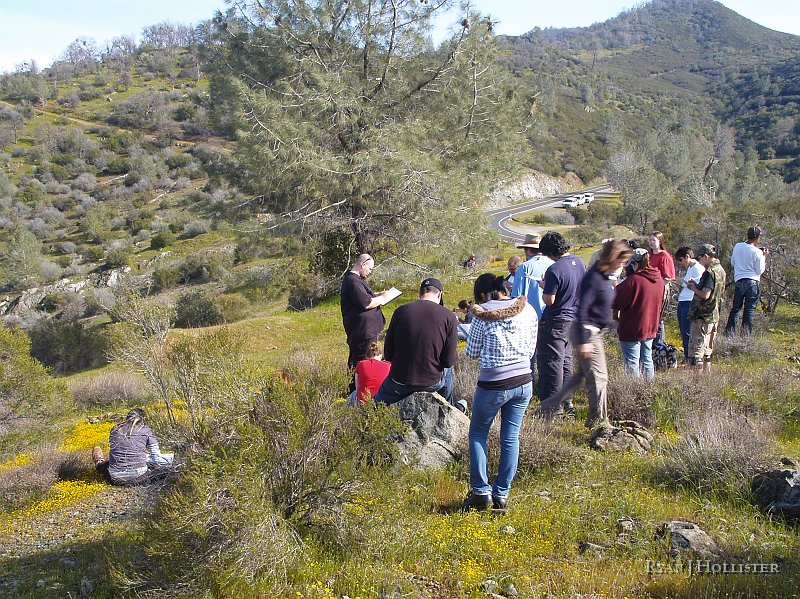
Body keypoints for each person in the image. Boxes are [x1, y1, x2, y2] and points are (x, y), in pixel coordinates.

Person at [462, 273, 537, 511]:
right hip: (524, 380)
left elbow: (472, 353)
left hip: (493, 383)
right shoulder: (529, 310)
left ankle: (481, 491)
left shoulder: (482, 317)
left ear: (482, 295)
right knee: (510, 437)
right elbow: (532, 346)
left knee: (477, 434)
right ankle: (502, 493)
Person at [539, 240, 632, 427]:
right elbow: (582, 309)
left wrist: (611, 323)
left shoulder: (605, 277)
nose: (623, 265)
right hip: (587, 333)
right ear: (613, 257)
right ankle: (598, 421)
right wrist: (583, 341)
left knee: (578, 378)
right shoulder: (594, 277)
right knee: (598, 378)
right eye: (621, 261)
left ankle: (546, 409)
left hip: (595, 332)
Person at [374, 278, 464, 411]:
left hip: (400, 381)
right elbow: (448, 361)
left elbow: (388, 354)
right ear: (439, 294)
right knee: (447, 371)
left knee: (376, 403)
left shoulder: (401, 311)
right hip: (431, 382)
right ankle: (449, 409)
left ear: (420, 293)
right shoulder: (449, 316)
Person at [536, 232, 586, 410]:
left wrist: (544, 287)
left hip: (556, 320)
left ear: (549, 252)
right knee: (566, 360)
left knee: (552, 363)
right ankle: (567, 401)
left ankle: (552, 406)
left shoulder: (554, 270)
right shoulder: (579, 262)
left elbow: (550, 300)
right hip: (573, 318)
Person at [612, 249, 665, 380]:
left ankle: (635, 394)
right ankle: (649, 390)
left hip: (632, 327)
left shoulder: (633, 281)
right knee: (647, 359)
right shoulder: (659, 279)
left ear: (635, 264)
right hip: (651, 326)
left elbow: (615, 300)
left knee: (632, 363)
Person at [92, 408, 174, 486]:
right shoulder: (146, 430)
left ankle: (100, 463)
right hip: (139, 477)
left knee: (109, 463)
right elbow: (156, 456)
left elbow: (116, 449)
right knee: (162, 460)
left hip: (114, 477)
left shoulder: (115, 428)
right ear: (143, 419)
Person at [340, 254, 388, 381]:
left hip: (366, 331)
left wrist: (378, 295)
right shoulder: (352, 281)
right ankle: (355, 393)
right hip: (362, 333)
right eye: (370, 269)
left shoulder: (356, 281)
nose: (370, 272)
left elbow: (363, 296)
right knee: (361, 362)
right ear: (362, 265)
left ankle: (364, 390)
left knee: (366, 360)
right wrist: (382, 299)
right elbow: (365, 303)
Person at [687, 244, 727, 372]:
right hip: (714, 314)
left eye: (700, 258)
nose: (699, 261)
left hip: (703, 316)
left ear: (706, 256)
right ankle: (707, 378)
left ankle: (696, 382)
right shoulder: (721, 270)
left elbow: (705, 295)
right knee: (708, 351)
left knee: (697, 351)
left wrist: (693, 288)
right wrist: (697, 285)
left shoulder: (710, 272)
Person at [725, 226, 768, 337]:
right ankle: (745, 336)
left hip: (739, 281)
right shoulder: (758, 252)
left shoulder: (737, 246)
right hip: (752, 282)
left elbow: (733, 263)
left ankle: (729, 334)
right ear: (758, 238)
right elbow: (760, 270)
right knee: (749, 310)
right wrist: (764, 257)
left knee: (736, 308)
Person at [511, 234, 554, 320]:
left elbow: (516, 298)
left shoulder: (524, 267)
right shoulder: (553, 264)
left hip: (531, 318)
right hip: (551, 316)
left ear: (528, 250)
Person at [674, 247, 705, 363]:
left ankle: (691, 359)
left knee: (688, 331)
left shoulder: (698, 268)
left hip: (689, 301)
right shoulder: (690, 268)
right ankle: (688, 357)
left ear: (687, 256)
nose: (680, 262)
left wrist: (682, 282)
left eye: (681, 259)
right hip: (683, 301)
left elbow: (696, 286)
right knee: (683, 331)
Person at [648, 231, 675, 343]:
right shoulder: (649, 255)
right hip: (649, 291)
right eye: (650, 240)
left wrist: (657, 288)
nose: (651, 242)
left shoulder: (664, 256)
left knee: (657, 318)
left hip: (660, 291)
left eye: (654, 240)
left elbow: (667, 278)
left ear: (660, 241)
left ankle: (659, 343)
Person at [348, 342, 391, 406]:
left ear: (366, 356)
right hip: (382, 401)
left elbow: (357, 388)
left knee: (353, 394)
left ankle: (347, 414)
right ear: (381, 355)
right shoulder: (388, 366)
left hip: (363, 401)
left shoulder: (361, 364)